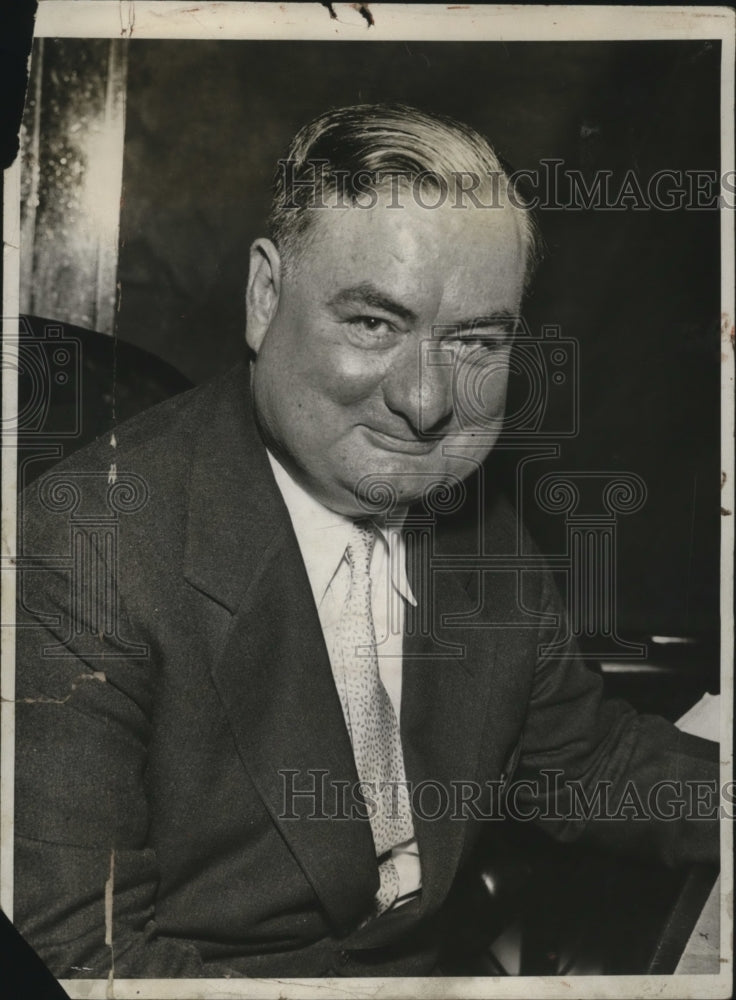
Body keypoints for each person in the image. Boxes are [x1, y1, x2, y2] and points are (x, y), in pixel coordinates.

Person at [14, 104, 718, 980]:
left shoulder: (472, 515)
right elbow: (77, 954)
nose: (426, 404)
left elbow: (582, 757)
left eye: (474, 340)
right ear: (265, 296)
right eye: (373, 324)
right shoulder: (83, 549)